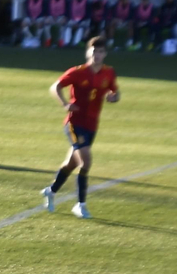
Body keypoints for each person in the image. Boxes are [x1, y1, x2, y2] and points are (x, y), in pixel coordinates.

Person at [41, 35, 119, 218]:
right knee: (86, 161)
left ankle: (51, 191)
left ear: (105, 54)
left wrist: (113, 97)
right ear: (88, 52)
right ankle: (80, 204)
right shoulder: (77, 72)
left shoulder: (109, 73)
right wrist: (64, 104)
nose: (97, 55)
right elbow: (55, 87)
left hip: (92, 125)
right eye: (94, 51)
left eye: (100, 51)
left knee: (72, 163)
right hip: (74, 123)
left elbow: (116, 93)